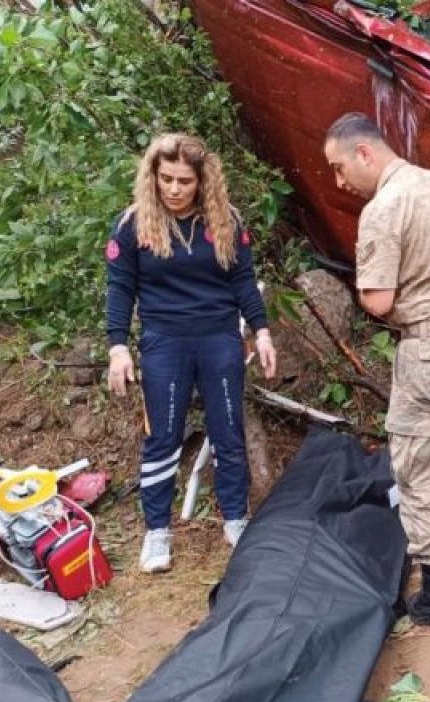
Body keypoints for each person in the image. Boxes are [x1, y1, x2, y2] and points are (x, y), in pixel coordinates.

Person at [323, 112, 430, 629]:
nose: (339, 181)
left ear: (365, 153)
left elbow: (378, 301)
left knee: (423, 466)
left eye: (338, 167)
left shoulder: (386, 206)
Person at [105, 133, 277, 574]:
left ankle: (236, 520)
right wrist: (118, 346)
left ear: (202, 181)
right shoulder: (133, 225)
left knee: (228, 430)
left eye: (185, 181)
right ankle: (157, 531)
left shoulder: (225, 221)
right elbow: (120, 288)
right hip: (164, 342)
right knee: (161, 436)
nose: (175, 189)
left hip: (218, 340)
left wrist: (261, 332)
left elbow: (243, 281)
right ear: (153, 176)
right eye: (166, 179)